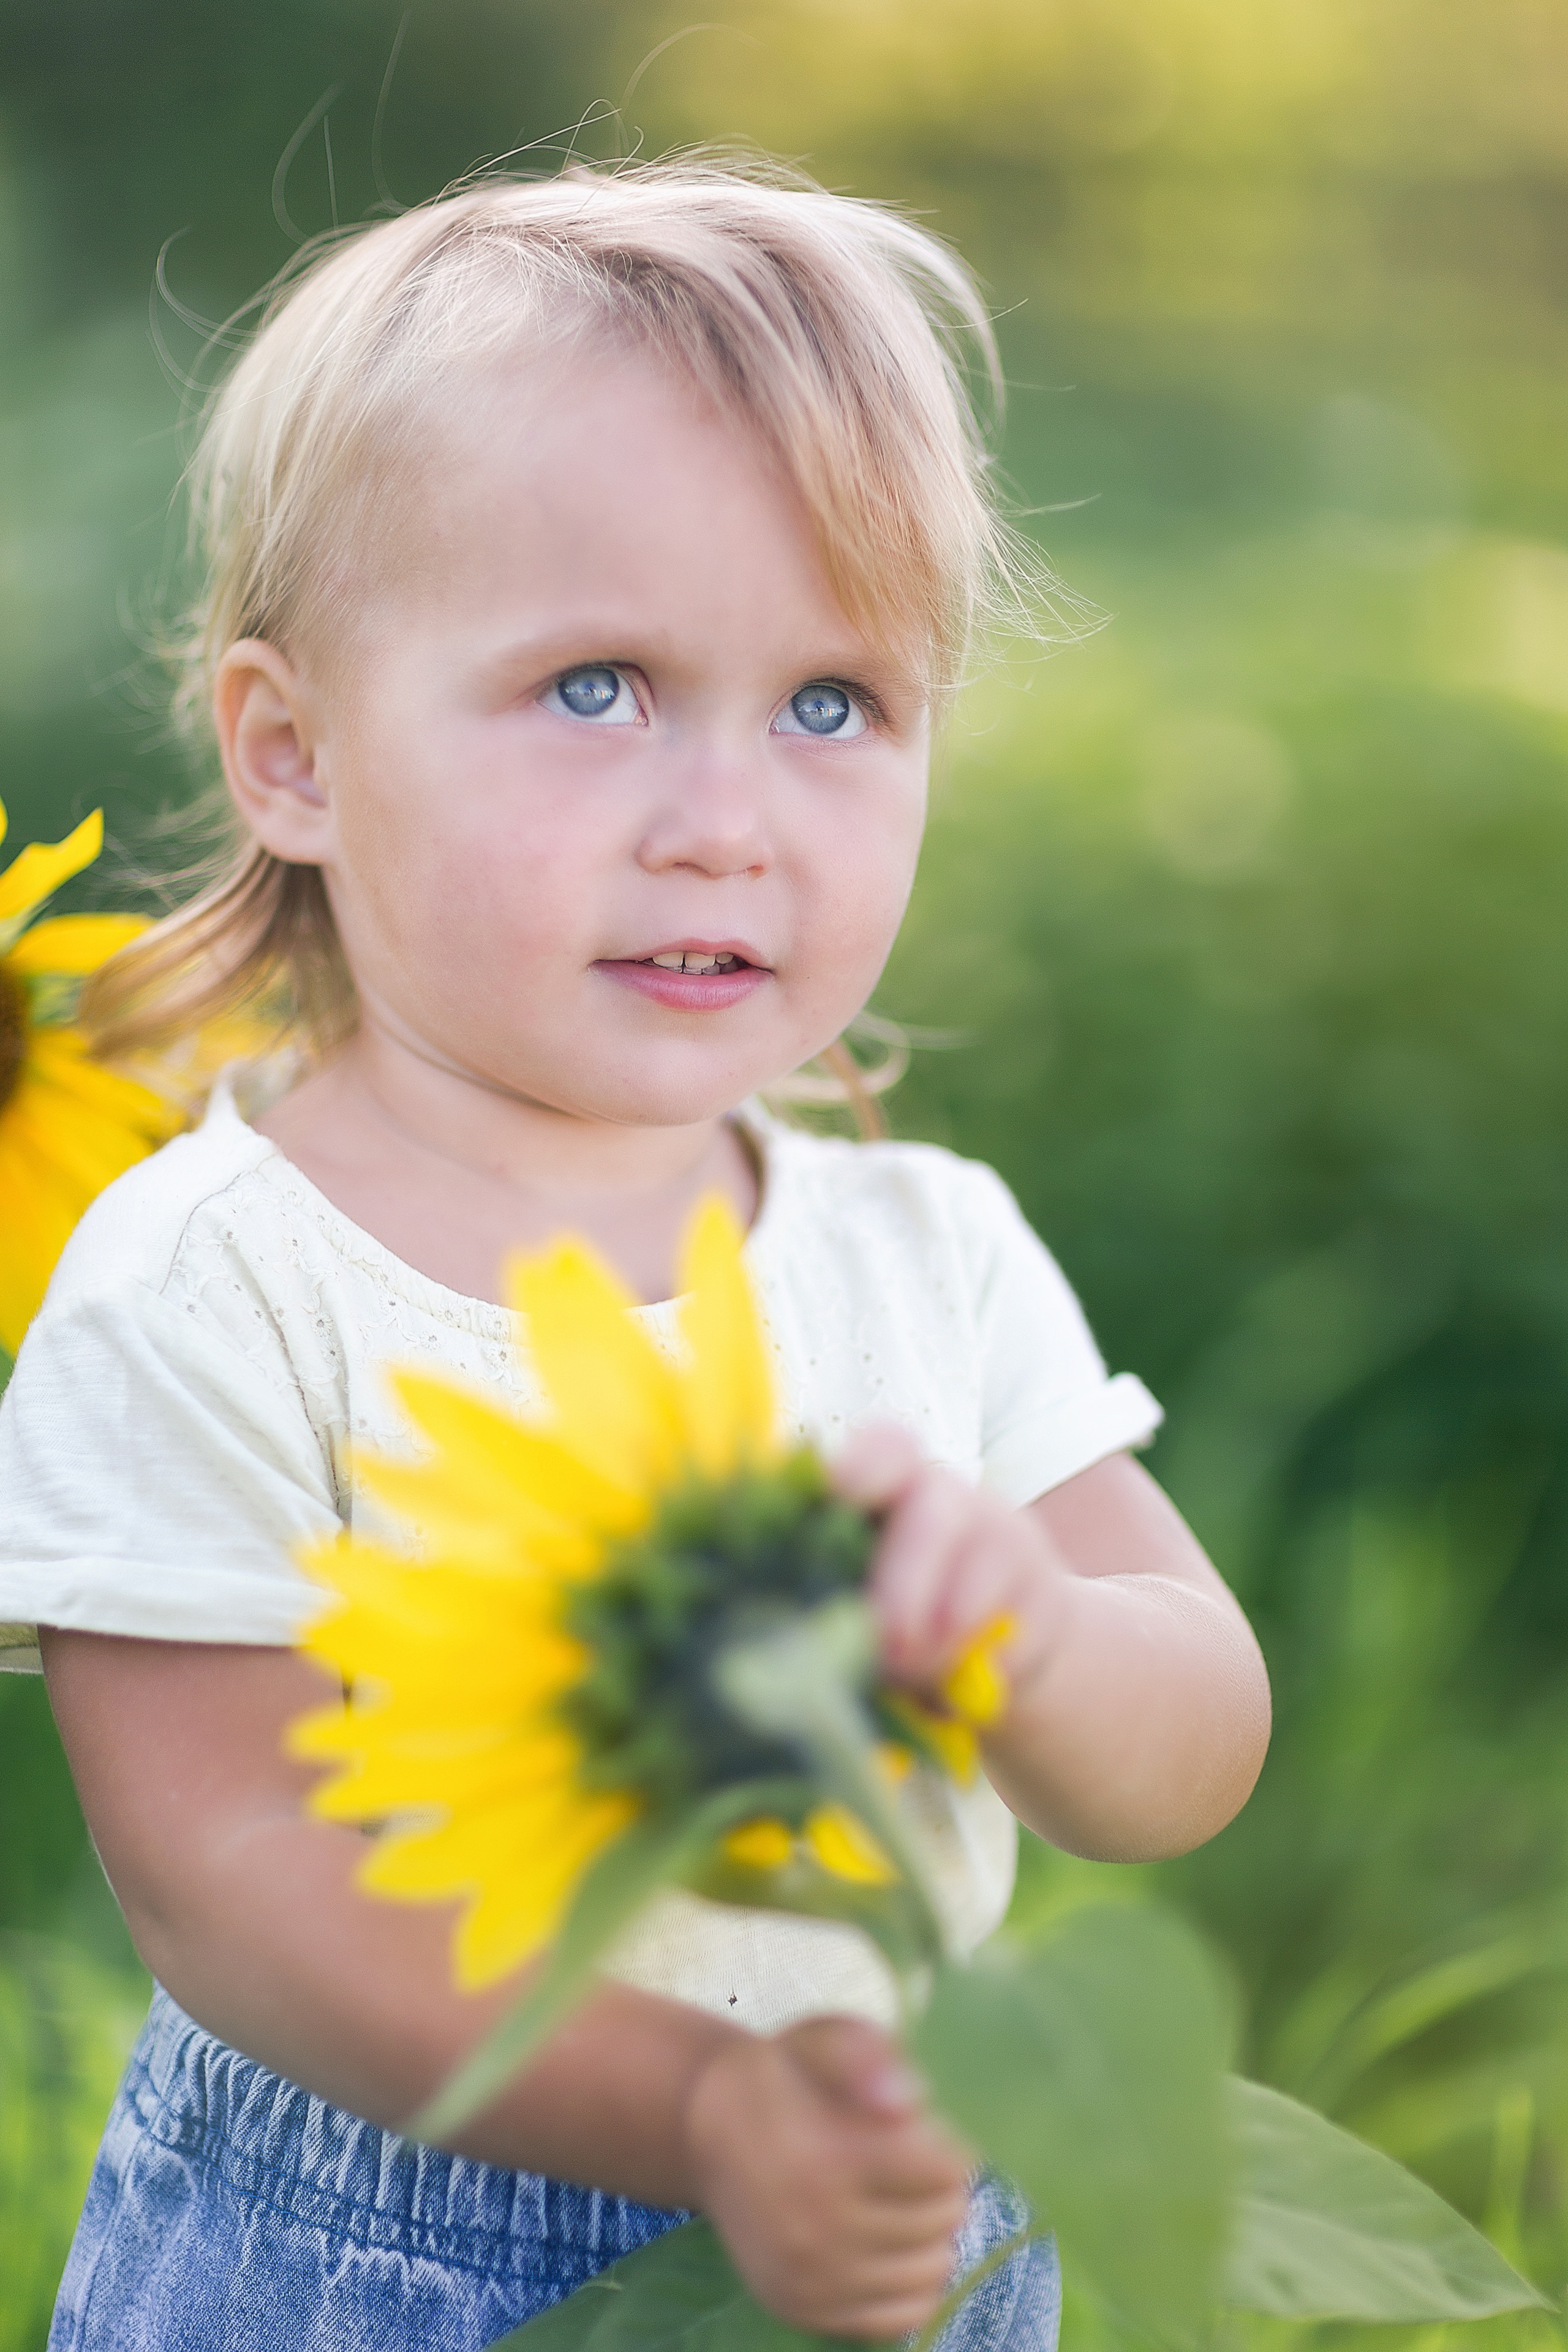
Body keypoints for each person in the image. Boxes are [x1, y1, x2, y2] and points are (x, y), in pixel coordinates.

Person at [0, 159, 1270, 2352]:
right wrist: (705, 2112)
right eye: (599, 688)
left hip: (900, 2225)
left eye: (833, 705)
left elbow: (1196, 1736)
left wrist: (1042, 1642)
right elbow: (235, 1884)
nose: (728, 817)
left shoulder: (921, 1252)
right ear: (292, 753)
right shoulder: (213, 1282)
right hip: (375, 2257)